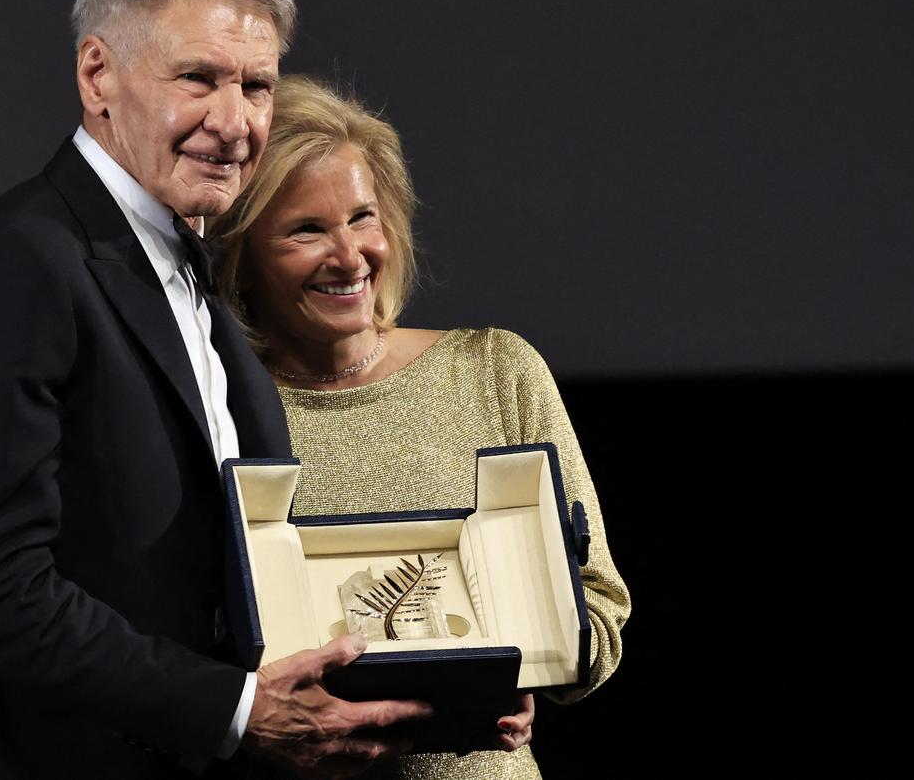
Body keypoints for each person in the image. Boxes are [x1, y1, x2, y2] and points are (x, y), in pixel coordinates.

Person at [0, 0, 430, 780]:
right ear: (99, 75)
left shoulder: (182, 264)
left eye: (256, 85)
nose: (235, 122)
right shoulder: (11, 265)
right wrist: (237, 711)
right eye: (197, 78)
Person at [208, 75, 632, 779]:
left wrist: (533, 659)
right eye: (307, 229)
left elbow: (599, 603)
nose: (349, 256)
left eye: (363, 217)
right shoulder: (216, 413)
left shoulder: (496, 370)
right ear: (242, 257)